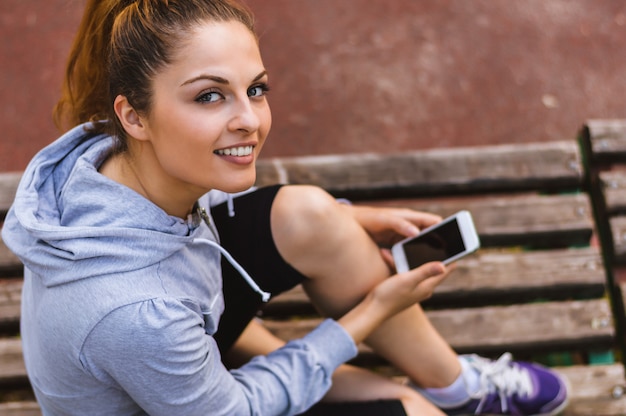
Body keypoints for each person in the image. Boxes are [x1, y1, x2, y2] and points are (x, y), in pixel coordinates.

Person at [1, 0, 569, 415]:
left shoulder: (103, 156)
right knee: (406, 409)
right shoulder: (138, 314)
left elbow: (210, 191)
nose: (249, 118)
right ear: (134, 115)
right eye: (209, 95)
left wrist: (349, 217)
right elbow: (235, 410)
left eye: (256, 88)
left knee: (314, 217)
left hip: (171, 335)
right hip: (184, 386)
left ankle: (461, 387)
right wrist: (367, 313)